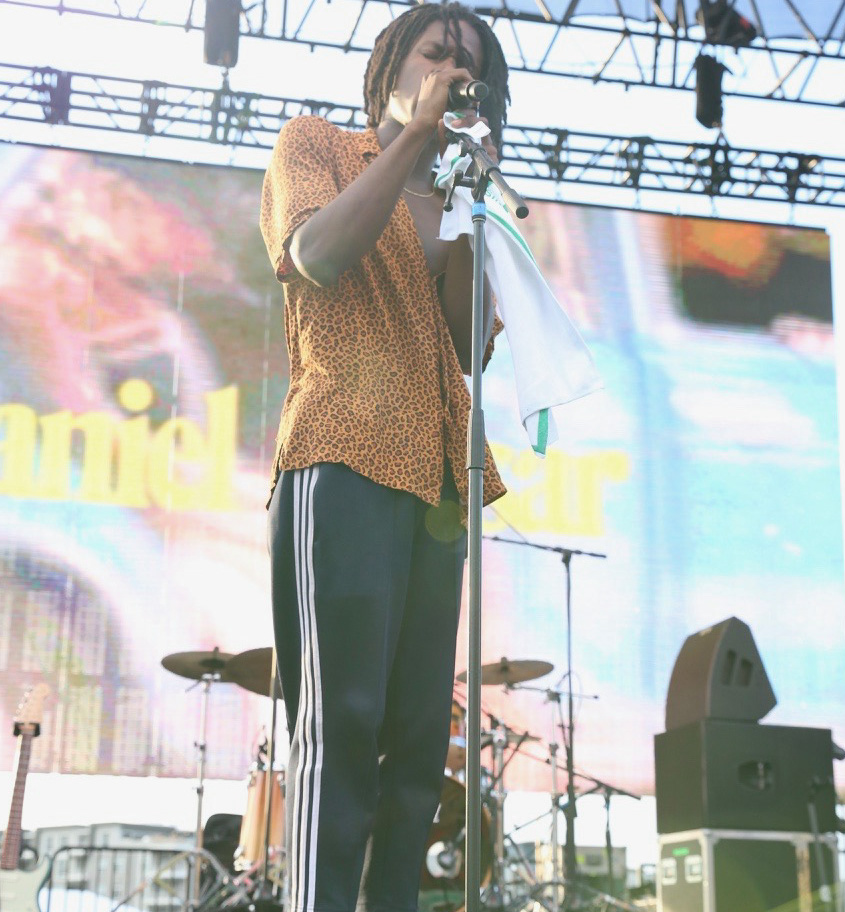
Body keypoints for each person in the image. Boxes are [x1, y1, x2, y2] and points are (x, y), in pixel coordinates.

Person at [259, 4, 510, 911]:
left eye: (471, 66)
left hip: (437, 480)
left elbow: (467, 344)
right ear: (390, 68)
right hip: (343, 455)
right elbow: (317, 255)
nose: (455, 72)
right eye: (437, 54)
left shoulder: (456, 194)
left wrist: (468, 205)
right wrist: (409, 142)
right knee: (344, 724)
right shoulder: (318, 145)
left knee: (416, 749)